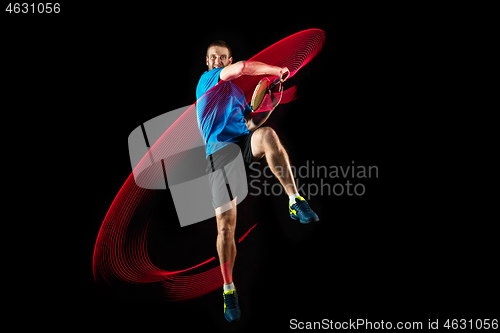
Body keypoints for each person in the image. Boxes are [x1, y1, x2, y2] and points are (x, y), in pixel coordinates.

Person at [196, 40, 319, 323]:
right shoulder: (208, 81)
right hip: (219, 155)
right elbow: (244, 67)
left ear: (227, 60)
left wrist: (271, 103)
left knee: (268, 136)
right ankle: (228, 289)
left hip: (240, 144)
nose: (217, 61)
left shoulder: (237, 94)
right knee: (226, 229)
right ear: (207, 62)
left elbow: (251, 124)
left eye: (222, 58)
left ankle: (295, 200)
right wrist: (279, 70)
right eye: (212, 57)